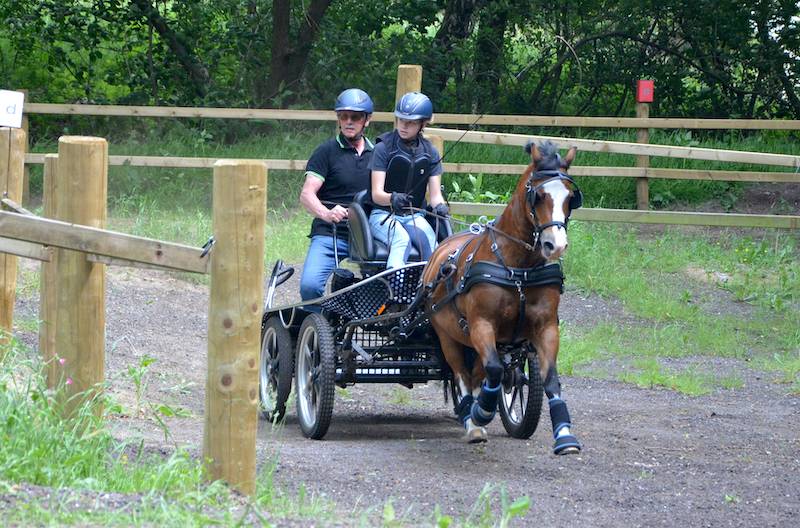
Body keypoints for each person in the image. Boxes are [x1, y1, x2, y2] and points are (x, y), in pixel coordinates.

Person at [299, 88, 374, 300]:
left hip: (368, 234)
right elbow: (307, 194)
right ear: (339, 119)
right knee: (310, 286)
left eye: (356, 117)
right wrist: (327, 213)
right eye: (344, 116)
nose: (349, 121)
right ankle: (319, 325)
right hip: (330, 231)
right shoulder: (326, 151)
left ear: (366, 120)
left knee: (390, 284)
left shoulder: (378, 153)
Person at [368, 92, 448, 269]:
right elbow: (376, 194)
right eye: (401, 120)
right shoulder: (383, 148)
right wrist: (392, 198)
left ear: (423, 124)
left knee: (433, 247)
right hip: (382, 215)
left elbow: (435, 196)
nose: (404, 126)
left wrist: (440, 207)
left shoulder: (431, 153)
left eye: (411, 122)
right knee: (401, 240)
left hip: (414, 215)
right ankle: (394, 292)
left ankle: (430, 292)